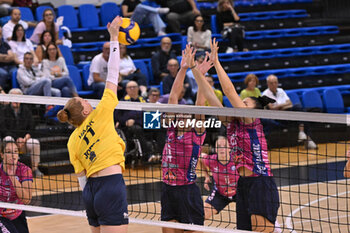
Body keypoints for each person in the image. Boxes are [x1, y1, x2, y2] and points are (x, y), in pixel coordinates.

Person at [197, 39, 280, 232]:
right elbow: (211, 98)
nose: (240, 104)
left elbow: (228, 91)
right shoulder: (231, 124)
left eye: (245, 103)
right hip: (243, 184)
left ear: (253, 110)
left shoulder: (251, 121)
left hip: (260, 181)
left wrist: (216, 63)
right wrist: (198, 73)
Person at [56, 16, 128, 233]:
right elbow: (113, 74)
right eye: (85, 101)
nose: (89, 101)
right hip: (110, 185)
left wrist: (93, 202)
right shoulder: (102, 113)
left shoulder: (72, 140)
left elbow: (81, 179)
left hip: (91, 193)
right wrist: (114, 37)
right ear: (85, 110)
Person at [161, 47, 212, 233]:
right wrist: (183, 68)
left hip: (187, 191)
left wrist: (199, 74)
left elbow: (200, 104)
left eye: (185, 113)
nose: (181, 113)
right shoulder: (171, 130)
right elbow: (173, 96)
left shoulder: (196, 133)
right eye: (180, 112)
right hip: (168, 189)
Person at [262, 74, 317, 149]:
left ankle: (302, 132)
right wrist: (284, 105)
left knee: (298, 107)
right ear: (268, 84)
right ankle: (308, 139)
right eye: (271, 83)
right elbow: (272, 108)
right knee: (301, 113)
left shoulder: (281, 91)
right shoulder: (265, 94)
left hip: (287, 113)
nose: (274, 84)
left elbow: (290, 103)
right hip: (278, 116)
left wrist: (279, 106)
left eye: (275, 82)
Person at [0, 88, 43, 177]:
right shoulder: (4, 111)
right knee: (8, 139)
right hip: (12, 141)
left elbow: (32, 127)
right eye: (13, 97)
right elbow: (3, 129)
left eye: (18, 97)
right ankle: (9, 169)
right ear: (10, 99)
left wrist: (25, 138)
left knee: (35, 143)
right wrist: (17, 139)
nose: (15, 100)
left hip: (24, 141)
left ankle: (35, 169)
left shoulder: (26, 111)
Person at [200, 136, 239, 219]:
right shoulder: (211, 160)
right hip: (220, 193)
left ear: (229, 148)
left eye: (224, 146)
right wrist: (206, 176)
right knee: (203, 213)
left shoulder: (237, 160)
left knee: (254, 211)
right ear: (216, 149)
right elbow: (200, 157)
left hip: (239, 192)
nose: (222, 149)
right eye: (219, 146)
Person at [0, 139, 33, 233]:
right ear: (2, 155)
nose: (13, 155)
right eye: (9, 152)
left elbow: (27, 200)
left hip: (17, 214)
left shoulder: (25, 170)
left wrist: (12, 176)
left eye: (15, 151)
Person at [0, 26, 17, 91]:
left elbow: (12, 57)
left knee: (15, 71)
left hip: (9, 66)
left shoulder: (5, 44)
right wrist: (6, 56)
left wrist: (2, 57)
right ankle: (2, 92)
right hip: (1, 67)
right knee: (3, 74)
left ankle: (15, 92)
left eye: (0, 34)